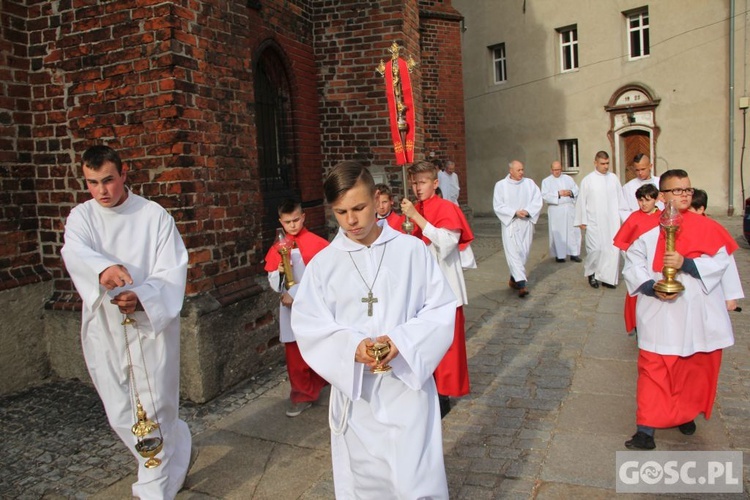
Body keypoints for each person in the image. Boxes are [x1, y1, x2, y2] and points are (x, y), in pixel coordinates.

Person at [291, 161, 456, 499]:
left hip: (406, 388)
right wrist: (352, 347)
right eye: (340, 212)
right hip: (359, 395)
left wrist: (401, 341)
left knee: (414, 482)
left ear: (376, 198)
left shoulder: (412, 250)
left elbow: (439, 309)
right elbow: (310, 324)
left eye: (359, 208)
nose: (351, 220)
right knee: (368, 483)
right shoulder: (324, 264)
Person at [61, 145, 191, 499]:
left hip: (150, 329)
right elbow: (74, 250)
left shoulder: (154, 217)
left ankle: (153, 485)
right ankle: (175, 445)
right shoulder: (82, 217)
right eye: (92, 182)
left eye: (108, 180)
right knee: (120, 409)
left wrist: (142, 296)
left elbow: (172, 270)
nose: (102, 191)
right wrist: (102, 269)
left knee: (156, 407)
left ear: (124, 174)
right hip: (106, 329)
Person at [622, 169, 741, 450]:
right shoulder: (649, 232)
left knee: (691, 369)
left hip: (698, 313)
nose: (685, 194)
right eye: (678, 190)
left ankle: (684, 414)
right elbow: (633, 265)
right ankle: (645, 430)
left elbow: (722, 262)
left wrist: (687, 264)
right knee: (654, 369)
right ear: (663, 196)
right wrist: (652, 288)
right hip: (659, 313)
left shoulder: (709, 228)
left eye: (688, 189)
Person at [401, 160, 473, 417]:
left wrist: (416, 218)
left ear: (435, 183)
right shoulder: (411, 209)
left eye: (421, 182)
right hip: (417, 289)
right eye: (414, 182)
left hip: (445, 286)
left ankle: (443, 395)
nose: (417, 187)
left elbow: (446, 243)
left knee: (447, 347)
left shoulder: (446, 208)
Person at [264, 199, 329, 417]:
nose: (292, 225)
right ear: (280, 222)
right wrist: (281, 272)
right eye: (287, 222)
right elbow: (273, 281)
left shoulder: (318, 244)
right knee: (295, 354)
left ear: (303, 217)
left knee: (319, 346)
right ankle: (302, 394)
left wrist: (296, 295)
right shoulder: (277, 248)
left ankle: (320, 381)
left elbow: (325, 280)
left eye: (295, 220)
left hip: (313, 306)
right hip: (289, 310)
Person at [613, 183, 661, 335]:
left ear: (656, 199)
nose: (644, 204)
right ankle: (637, 327)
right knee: (637, 295)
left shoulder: (663, 217)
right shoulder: (634, 218)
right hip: (638, 265)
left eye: (648, 200)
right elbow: (622, 242)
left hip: (657, 264)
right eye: (640, 200)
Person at [492, 160, 543, 297]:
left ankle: (514, 279)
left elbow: (537, 200)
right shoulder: (501, 186)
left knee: (523, 253)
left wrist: (527, 211)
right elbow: (498, 205)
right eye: (518, 170)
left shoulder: (529, 184)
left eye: (522, 169)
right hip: (511, 224)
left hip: (525, 224)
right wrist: (514, 212)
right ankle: (522, 285)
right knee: (513, 254)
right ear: (511, 171)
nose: (522, 172)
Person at [574, 151, 625, 289]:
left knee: (611, 250)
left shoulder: (613, 178)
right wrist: (581, 220)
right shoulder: (588, 180)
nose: (605, 166)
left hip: (612, 222)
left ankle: (607, 277)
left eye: (607, 163)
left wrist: (623, 218)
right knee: (595, 250)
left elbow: (621, 199)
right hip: (594, 221)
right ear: (595, 163)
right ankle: (591, 273)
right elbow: (581, 201)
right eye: (602, 164)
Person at [688, 189, 744, 312]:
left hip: (710, 288)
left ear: (700, 209)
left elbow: (727, 263)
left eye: (689, 210)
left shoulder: (713, 229)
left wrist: (731, 296)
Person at [541, 160, 581, 263]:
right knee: (559, 232)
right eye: (555, 170)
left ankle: (574, 253)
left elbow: (576, 189)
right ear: (551, 170)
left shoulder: (568, 178)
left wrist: (570, 192)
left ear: (561, 169)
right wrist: (558, 193)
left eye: (558, 169)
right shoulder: (546, 181)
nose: (557, 172)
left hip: (569, 208)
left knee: (573, 231)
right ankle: (560, 255)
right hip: (556, 210)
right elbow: (545, 196)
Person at [620, 153, 662, 218]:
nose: (640, 173)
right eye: (637, 170)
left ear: (650, 166)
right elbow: (624, 210)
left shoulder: (660, 183)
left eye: (643, 169)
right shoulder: (628, 187)